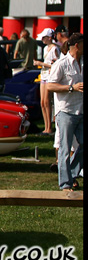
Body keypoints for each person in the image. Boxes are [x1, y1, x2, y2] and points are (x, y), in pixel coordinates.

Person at [46, 33, 83, 192]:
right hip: (66, 112)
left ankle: (73, 173)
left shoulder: (83, 62)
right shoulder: (61, 63)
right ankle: (66, 184)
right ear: (77, 45)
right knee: (65, 149)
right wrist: (71, 88)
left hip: (81, 111)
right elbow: (50, 86)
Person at [34, 28, 59, 135]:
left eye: (44, 37)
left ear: (49, 38)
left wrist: (41, 63)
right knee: (43, 102)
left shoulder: (55, 49)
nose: (43, 40)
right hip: (44, 75)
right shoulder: (45, 48)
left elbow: (56, 64)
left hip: (49, 75)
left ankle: (49, 127)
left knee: (47, 102)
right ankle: (46, 126)